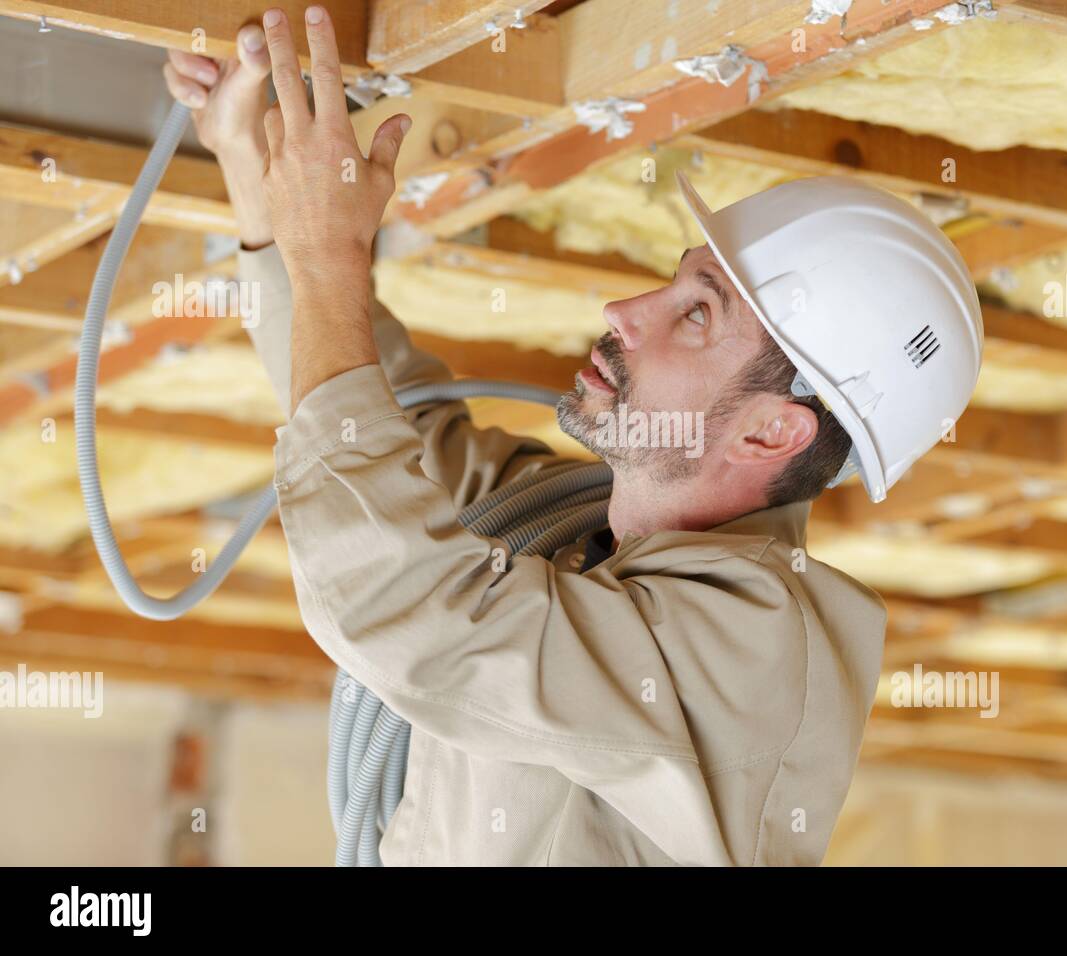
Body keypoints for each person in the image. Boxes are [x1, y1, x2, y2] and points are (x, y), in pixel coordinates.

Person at [162, 6, 982, 866]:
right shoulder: (577, 538)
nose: (623, 313)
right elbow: (392, 429)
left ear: (773, 430)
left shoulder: (753, 657)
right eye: (672, 286)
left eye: (697, 314)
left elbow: (404, 607)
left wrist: (329, 250)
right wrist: (251, 165)